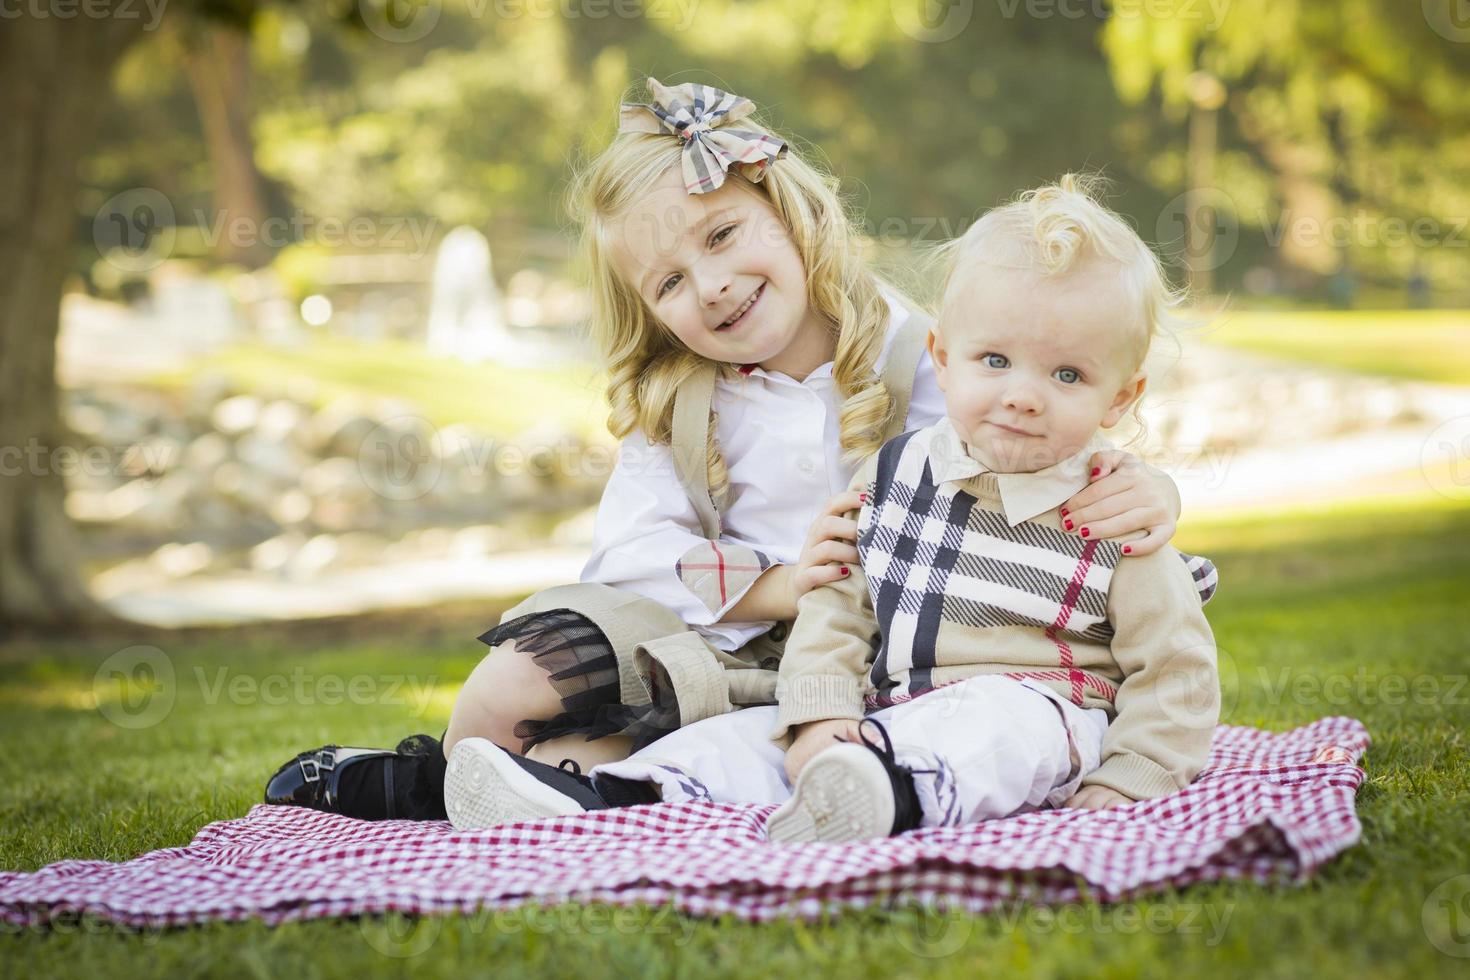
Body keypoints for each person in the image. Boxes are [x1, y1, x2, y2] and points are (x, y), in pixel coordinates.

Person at [265, 81, 1201, 824]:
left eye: (723, 235)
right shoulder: (679, 402)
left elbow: (1022, 437)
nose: (712, 287)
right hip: (720, 628)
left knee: (667, 762)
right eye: (671, 279)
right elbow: (633, 558)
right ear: (647, 307)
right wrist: (785, 584)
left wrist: (1142, 482)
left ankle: (457, 796)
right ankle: (441, 786)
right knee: (505, 691)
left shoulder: (917, 348)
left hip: (866, 646)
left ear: (787, 214)